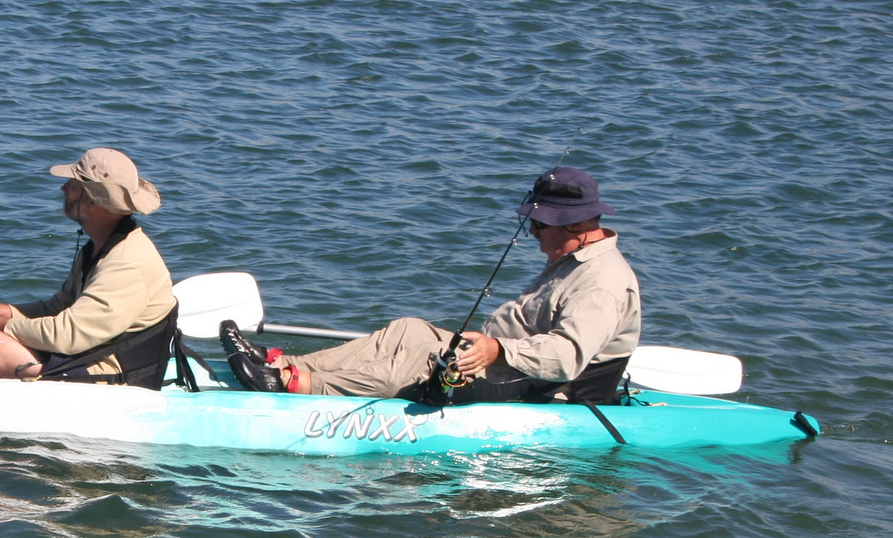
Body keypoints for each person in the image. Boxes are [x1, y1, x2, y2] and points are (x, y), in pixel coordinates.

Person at [222, 166, 641, 405]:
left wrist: (498, 350)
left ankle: (298, 386)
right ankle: (287, 363)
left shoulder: (601, 284)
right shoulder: (571, 257)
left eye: (539, 222)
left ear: (578, 225)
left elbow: (567, 357)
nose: (531, 230)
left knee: (425, 359)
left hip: (538, 384)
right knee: (409, 329)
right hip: (497, 357)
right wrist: (491, 348)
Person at [0, 148, 178, 388]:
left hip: (107, 374)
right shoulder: (100, 248)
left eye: (73, 184)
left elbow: (69, 335)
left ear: (92, 200)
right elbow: (57, 308)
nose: (63, 187)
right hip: (83, 353)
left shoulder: (127, 263)